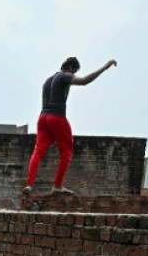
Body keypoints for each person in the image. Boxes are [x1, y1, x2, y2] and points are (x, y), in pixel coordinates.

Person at [23, 56, 117, 195]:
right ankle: (57, 185)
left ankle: (29, 185)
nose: (73, 75)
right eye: (74, 72)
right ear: (71, 68)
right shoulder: (64, 76)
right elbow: (84, 81)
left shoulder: (48, 80)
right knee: (66, 152)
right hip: (57, 118)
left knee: (38, 152)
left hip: (43, 118)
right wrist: (105, 67)